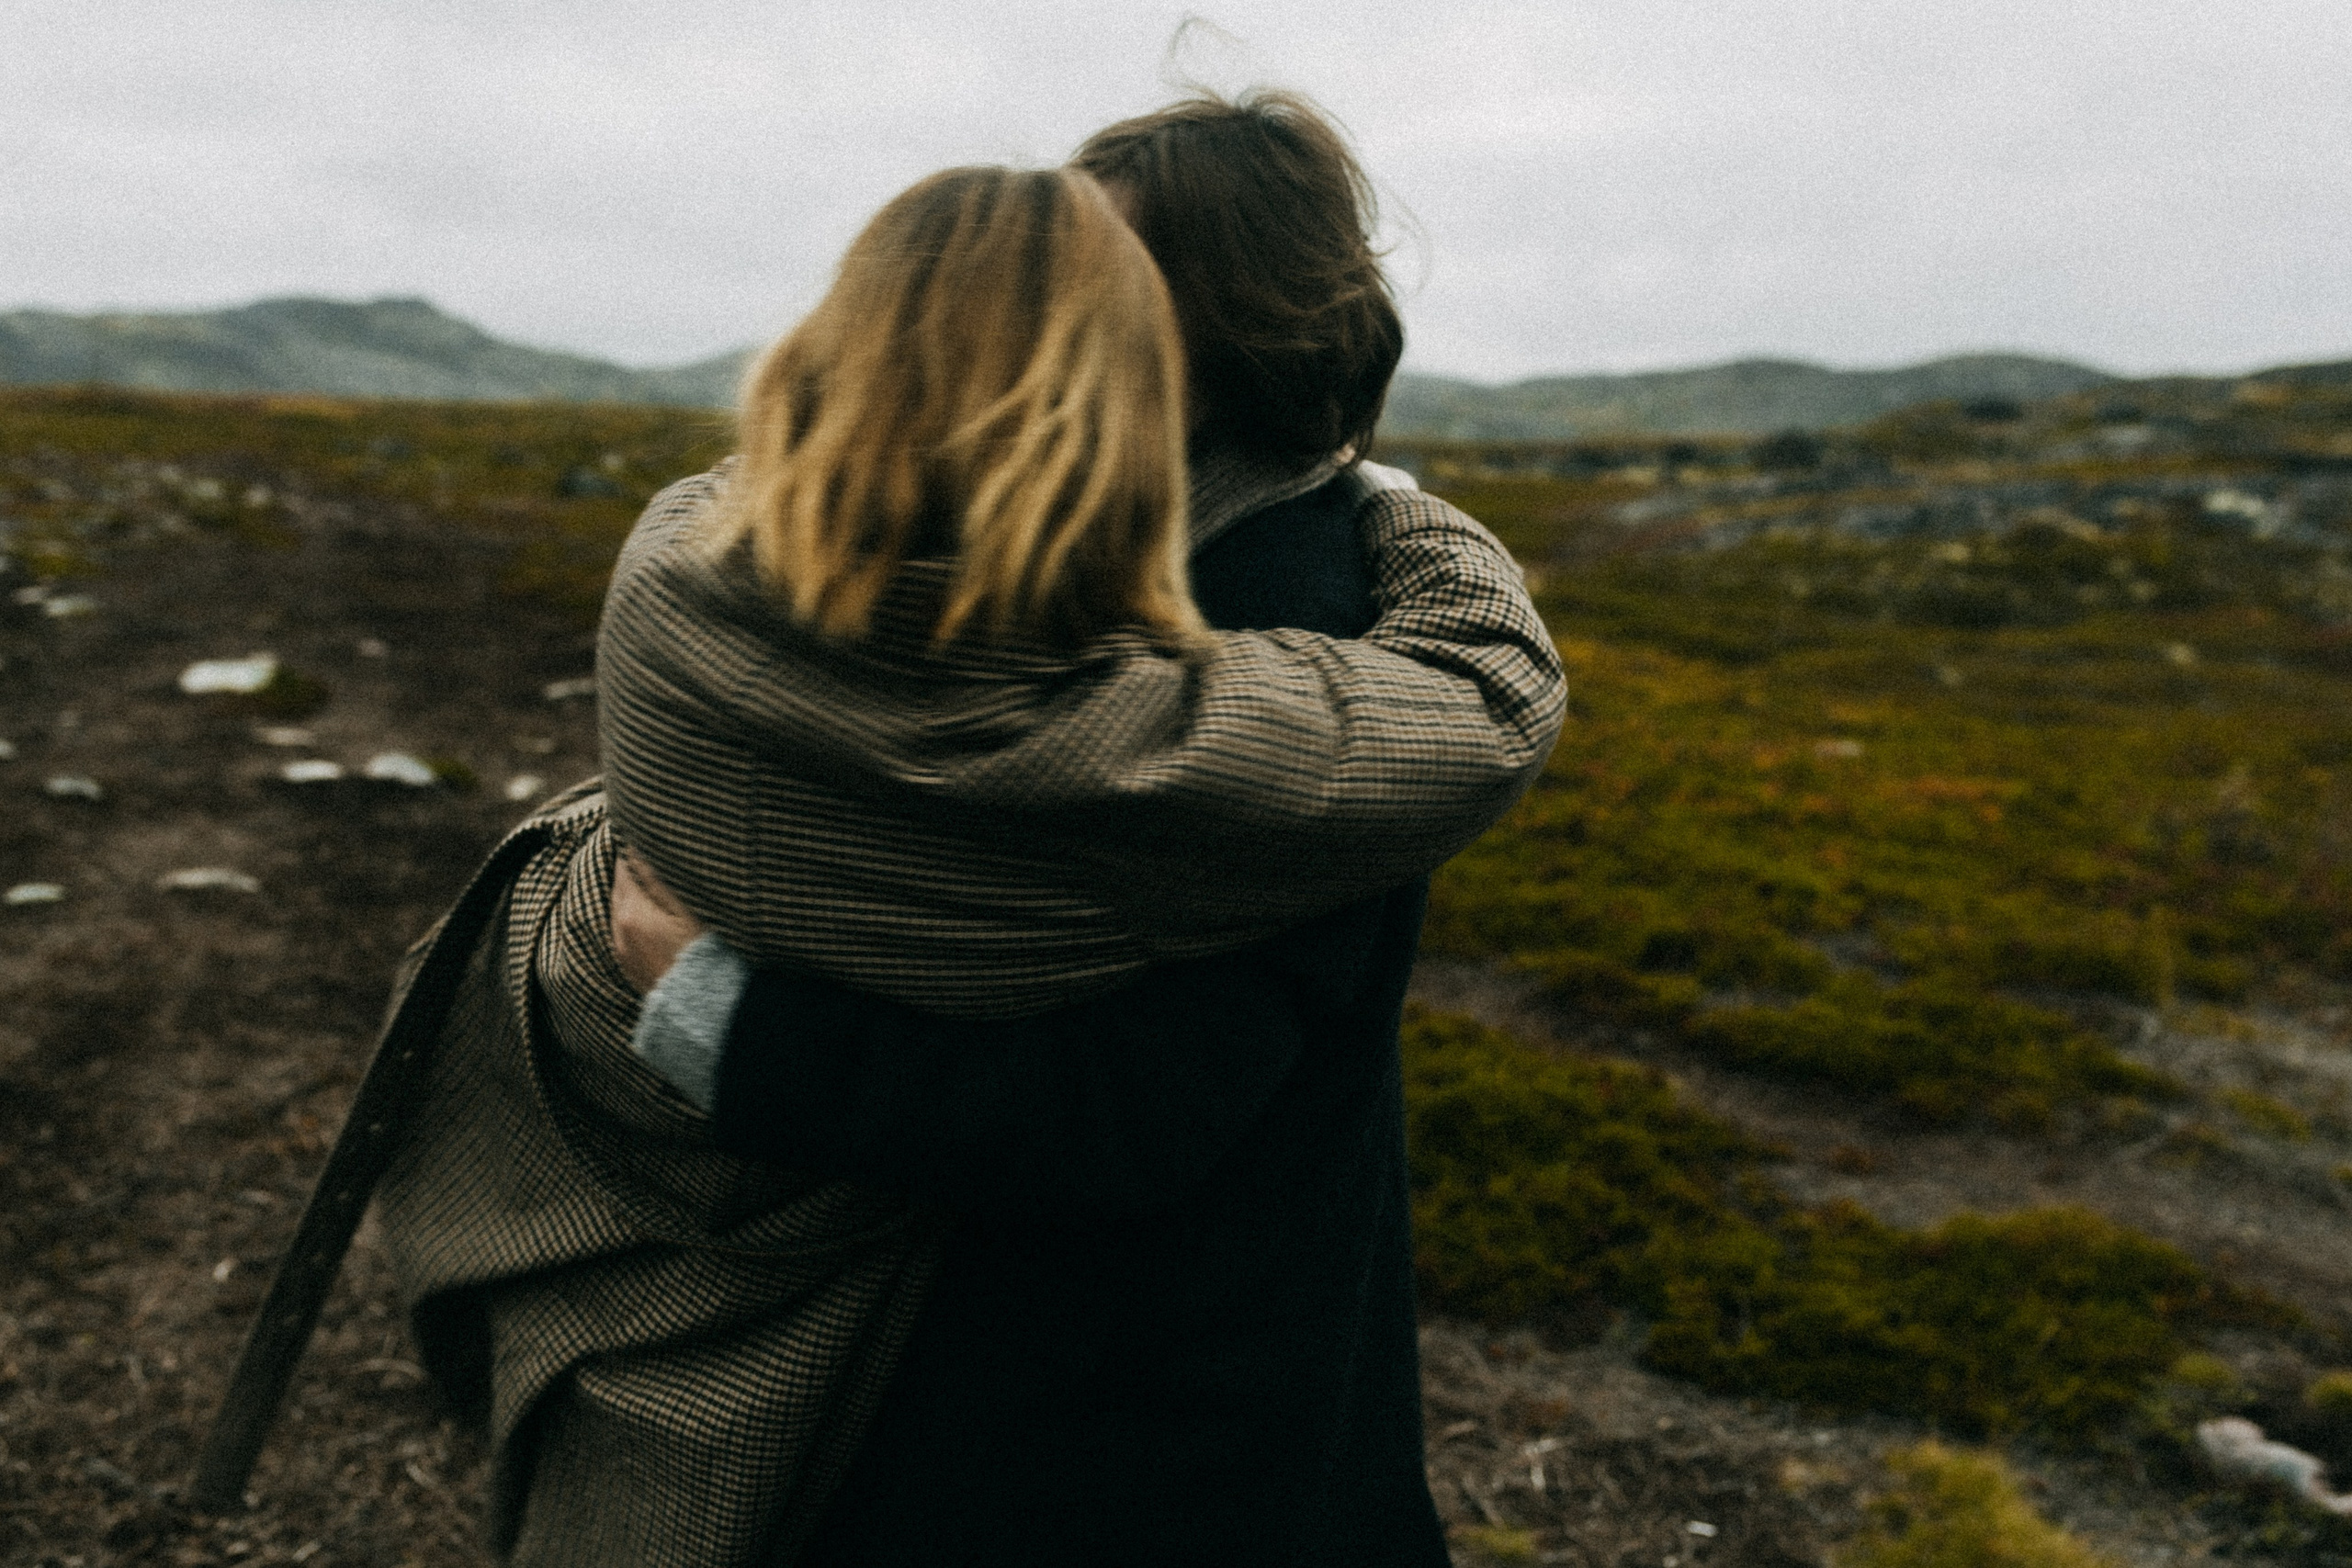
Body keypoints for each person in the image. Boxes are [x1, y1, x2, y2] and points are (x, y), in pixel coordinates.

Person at [378, 149, 1561, 1567]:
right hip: (973, 1368)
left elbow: (1125, 1118)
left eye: (1098, 271)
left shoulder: (1285, 635)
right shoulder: (1005, 561)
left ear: (1195, 327)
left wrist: (717, 1012)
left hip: (1145, 1422)